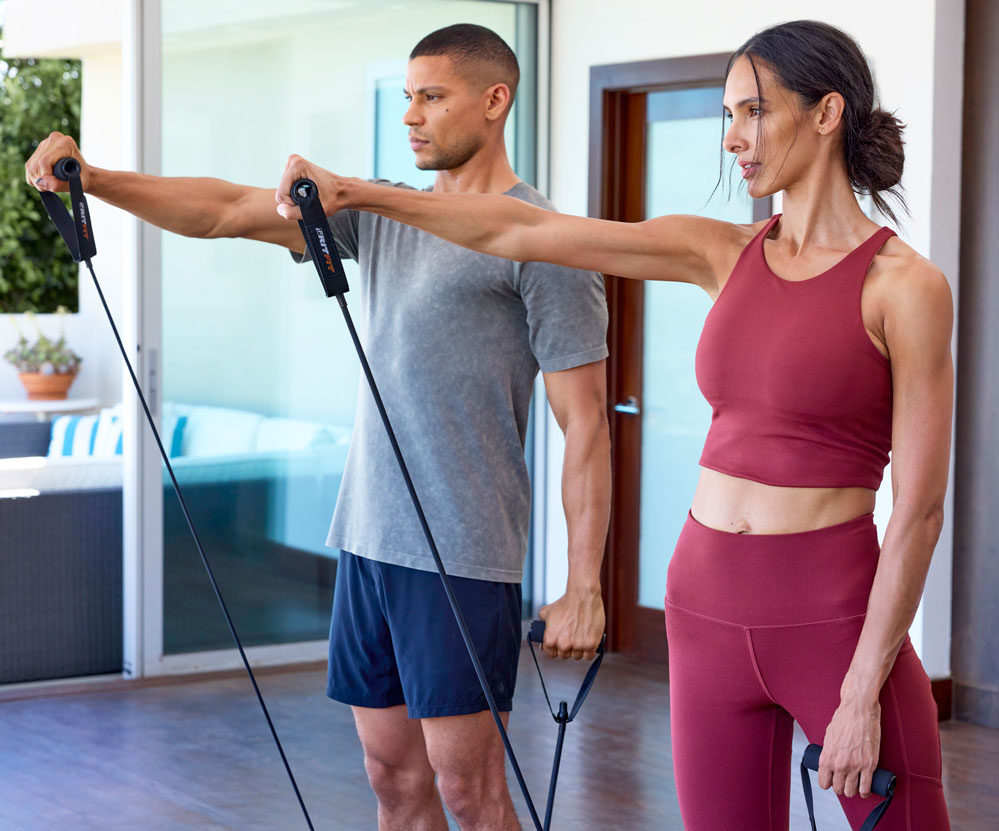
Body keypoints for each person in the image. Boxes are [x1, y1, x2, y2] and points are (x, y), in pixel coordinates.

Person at [276, 20, 953, 831]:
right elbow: (520, 229)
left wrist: (858, 692)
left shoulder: (903, 286)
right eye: (726, 114)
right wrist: (358, 193)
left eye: (752, 112)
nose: (732, 137)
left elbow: (916, 508)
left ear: (826, 112)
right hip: (702, 602)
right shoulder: (721, 252)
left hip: (831, 611)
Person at [27, 24, 611, 831]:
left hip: (463, 551)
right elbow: (228, 209)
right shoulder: (383, 213)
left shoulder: (546, 242)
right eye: (407, 96)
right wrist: (95, 179)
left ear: (494, 99)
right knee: (391, 782)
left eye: (431, 96)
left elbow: (584, 425)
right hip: (369, 536)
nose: (410, 114)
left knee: (471, 793)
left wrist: (583, 586)